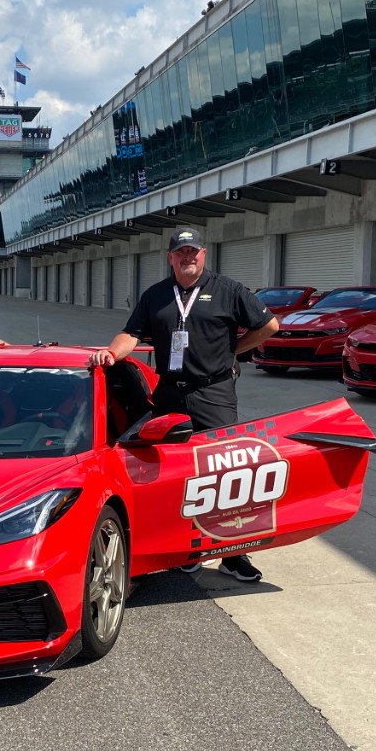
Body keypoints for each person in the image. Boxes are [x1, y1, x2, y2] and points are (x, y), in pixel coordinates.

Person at [87, 226, 279, 582]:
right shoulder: (156, 295)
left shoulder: (229, 290)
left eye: (193, 252)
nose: (187, 257)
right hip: (170, 394)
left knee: (225, 473)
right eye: (180, 252)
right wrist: (112, 352)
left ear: (204, 254)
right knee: (174, 472)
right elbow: (132, 334)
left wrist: (233, 351)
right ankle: (185, 548)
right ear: (171, 257)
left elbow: (269, 325)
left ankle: (233, 554)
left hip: (214, 393)